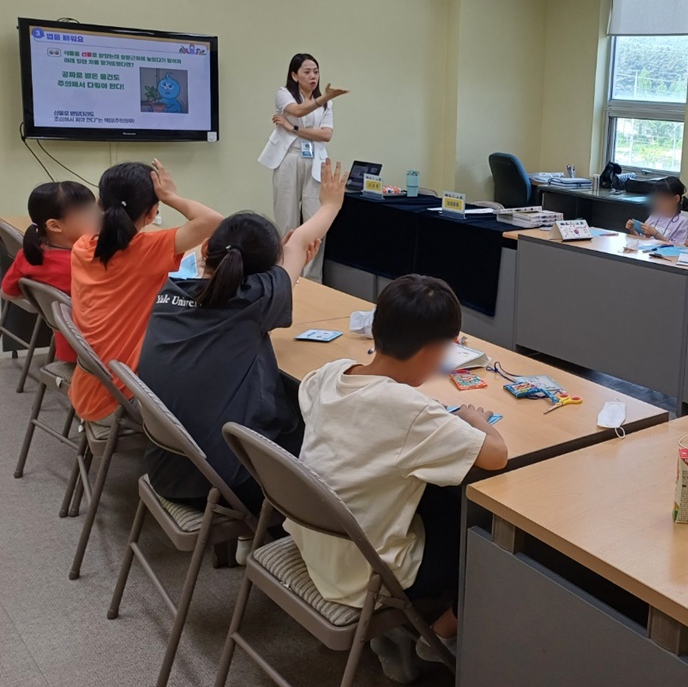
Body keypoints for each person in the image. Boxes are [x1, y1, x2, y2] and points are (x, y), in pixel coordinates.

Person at [288, 274, 507, 676]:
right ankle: (440, 633)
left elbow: (317, 401)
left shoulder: (332, 373)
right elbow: (497, 456)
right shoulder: (411, 412)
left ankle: (406, 631)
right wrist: (475, 418)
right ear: (433, 351)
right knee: (484, 532)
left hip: (315, 540)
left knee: (432, 491)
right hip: (364, 574)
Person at [138, 159, 348, 519]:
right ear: (267, 271)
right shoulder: (255, 298)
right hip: (222, 483)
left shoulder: (171, 288)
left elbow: (292, 249)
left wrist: (285, 263)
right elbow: (299, 241)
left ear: (206, 248)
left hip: (166, 468)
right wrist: (331, 204)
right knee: (331, 428)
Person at [69, 160, 222, 436]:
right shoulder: (149, 250)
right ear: (152, 213)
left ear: (100, 203)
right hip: (121, 401)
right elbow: (215, 222)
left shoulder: (82, 246)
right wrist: (171, 196)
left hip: (89, 391)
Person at [257, 53, 348, 283]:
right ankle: (285, 275)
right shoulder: (284, 94)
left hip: (316, 161)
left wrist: (293, 128)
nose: (312, 76)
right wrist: (323, 98)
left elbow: (326, 135)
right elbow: (297, 111)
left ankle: (312, 280)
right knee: (287, 221)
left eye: (316, 71)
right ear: (295, 75)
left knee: (315, 224)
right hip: (289, 158)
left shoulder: (326, 103)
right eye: (307, 72)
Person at [2, 181, 99, 365]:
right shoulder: (86, 262)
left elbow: (7, 293)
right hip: (97, 352)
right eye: (88, 213)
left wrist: (44, 299)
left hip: (68, 347)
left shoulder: (29, 255)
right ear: (55, 225)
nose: (98, 217)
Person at [626, 176, 688, 244]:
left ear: (675, 199)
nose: (658, 203)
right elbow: (643, 240)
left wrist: (655, 233)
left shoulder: (682, 221)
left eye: (663, 199)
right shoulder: (655, 215)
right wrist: (632, 230)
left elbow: (677, 247)